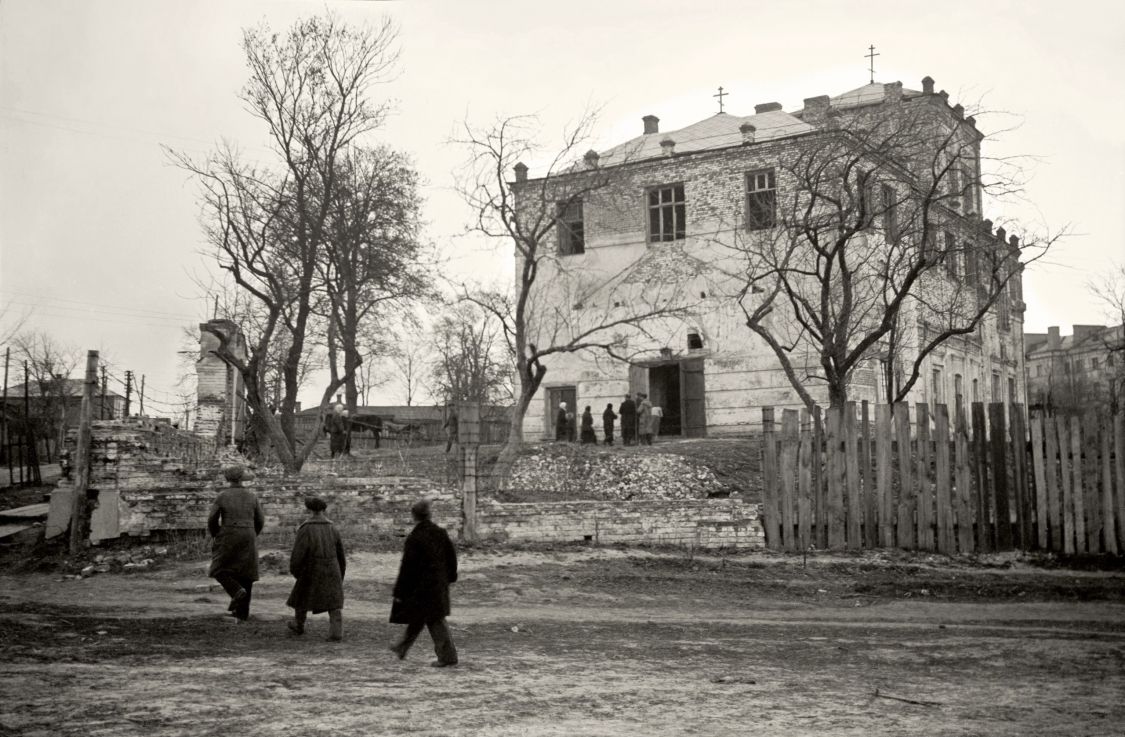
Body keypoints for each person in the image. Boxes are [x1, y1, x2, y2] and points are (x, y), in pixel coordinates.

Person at [389, 499, 459, 667]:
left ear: (414, 516)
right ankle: (401, 647)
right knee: (421, 616)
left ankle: (448, 657)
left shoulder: (415, 537)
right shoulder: (440, 533)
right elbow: (451, 558)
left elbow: (407, 567)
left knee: (434, 619)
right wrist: (450, 577)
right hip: (438, 584)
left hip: (420, 587)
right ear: (429, 514)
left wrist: (400, 591)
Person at [207, 465, 264, 622]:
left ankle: (236, 590)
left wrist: (216, 534)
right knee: (247, 573)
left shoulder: (222, 496)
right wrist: (252, 533)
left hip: (228, 534)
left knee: (218, 569)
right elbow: (260, 520)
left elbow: (212, 519)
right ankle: (242, 613)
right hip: (249, 534)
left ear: (227, 479)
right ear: (241, 478)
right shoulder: (252, 496)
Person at [287, 497, 347, 641]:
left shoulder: (306, 528)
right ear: (324, 509)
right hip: (332, 567)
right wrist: (340, 573)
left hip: (311, 568)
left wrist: (297, 572)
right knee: (334, 601)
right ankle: (336, 632)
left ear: (309, 509)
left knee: (301, 596)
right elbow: (341, 555)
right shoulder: (333, 527)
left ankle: (298, 625)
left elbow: (297, 555)